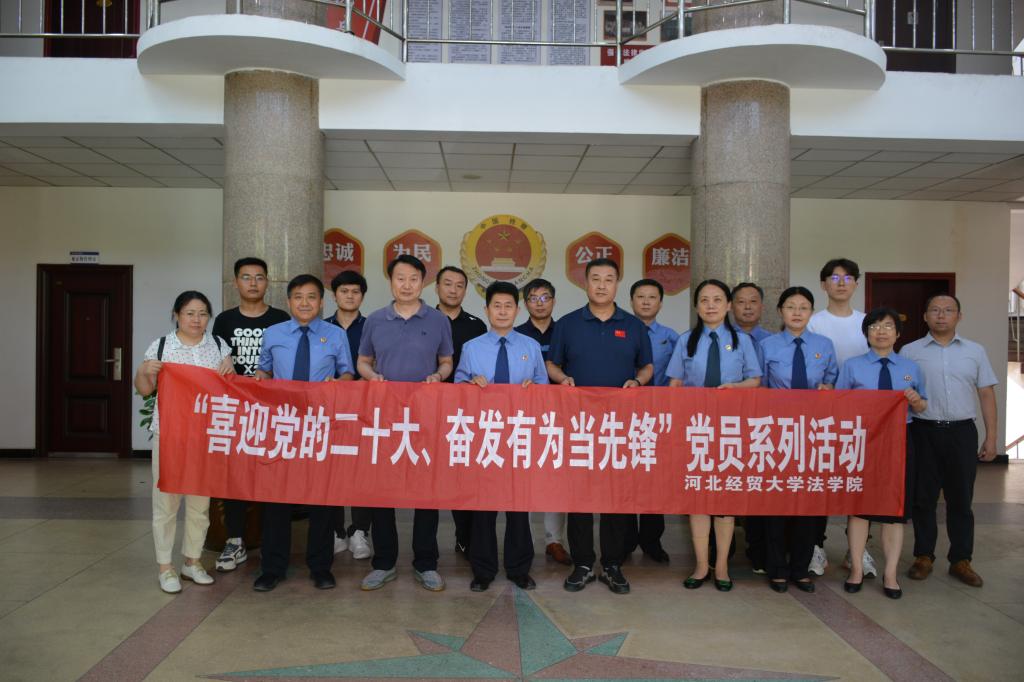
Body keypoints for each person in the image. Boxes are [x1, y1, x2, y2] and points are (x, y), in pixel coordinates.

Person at [547, 258, 654, 595]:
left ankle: (612, 564)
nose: (602, 285)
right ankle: (582, 563)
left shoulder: (634, 326)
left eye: (609, 279)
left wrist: (638, 382)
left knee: (615, 498)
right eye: (596, 278)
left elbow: (647, 366)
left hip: (619, 427)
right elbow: (551, 364)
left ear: (617, 284)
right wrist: (562, 379)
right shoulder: (568, 324)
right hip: (578, 425)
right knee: (579, 496)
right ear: (586, 283)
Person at [358, 254, 454, 592]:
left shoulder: (438, 320)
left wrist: (438, 376)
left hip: (426, 418)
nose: (407, 285)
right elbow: (363, 361)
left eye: (414, 278)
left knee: (426, 492)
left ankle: (426, 563)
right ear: (391, 282)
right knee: (381, 492)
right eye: (400, 278)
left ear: (423, 282)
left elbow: (446, 361)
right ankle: (383, 562)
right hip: (385, 418)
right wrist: (372, 377)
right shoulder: (375, 320)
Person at [252, 275, 354, 592]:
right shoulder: (273, 334)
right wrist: (258, 378)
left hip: (321, 427)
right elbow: (264, 370)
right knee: (277, 500)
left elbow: (348, 373)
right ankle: (273, 568)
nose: (305, 303)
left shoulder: (336, 335)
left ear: (321, 302)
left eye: (311, 297)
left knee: (322, 500)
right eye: (298, 297)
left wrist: (339, 384)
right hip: (283, 425)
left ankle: (321, 567)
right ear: (289, 302)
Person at [135, 291, 234, 594]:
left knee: (199, 504)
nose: (196, 319)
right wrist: (144, 372)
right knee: (166, 502)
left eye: (203, 313)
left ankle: (192, 561)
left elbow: (228, 388)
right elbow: (145, 390)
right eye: (190, 313)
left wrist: (229, 372)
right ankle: (165, 567)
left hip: (206, 436)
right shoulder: (161, 346)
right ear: (176, 315)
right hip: (171, 435)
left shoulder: (218, 345)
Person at [667, 279, 761, 591]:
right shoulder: (686, 341)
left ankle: (721, 566)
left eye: (718, 299)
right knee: (698, 498)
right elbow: (675, 384)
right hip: (695, 429)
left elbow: (755, 380)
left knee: (724, 500)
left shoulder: (742, 340)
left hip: (731, 429)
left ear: (728, 305)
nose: (711, 305)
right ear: (696, 306)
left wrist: (735, 388)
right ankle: (700, 565)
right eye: (704, 300)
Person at [455, 281, 547, 591]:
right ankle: (483, 570)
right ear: (487, 310)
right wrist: (470, 385)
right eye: (497, 306)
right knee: (483, 507)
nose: (503, 311)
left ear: (517, 310)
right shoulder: (472, 348)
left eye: (509, 306)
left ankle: (519, 568)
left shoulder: (530, 347)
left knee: (518, 506)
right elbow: (457, 390)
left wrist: (534, 390)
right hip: (485, 436)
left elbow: (544, 389)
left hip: (520, 436)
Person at [902, 294, 999, 588]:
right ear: (925, 316)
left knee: (961, 498)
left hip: (961, 432)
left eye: (948, 310)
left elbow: (986, 394)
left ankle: (961, 560)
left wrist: (991, 437)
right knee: (923, 498)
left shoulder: (975, 351)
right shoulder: (910, 351)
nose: (941, 315)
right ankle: (923, 556)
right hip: (923, 431)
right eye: (935, 310)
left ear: (959, 316)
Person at [837, 307, 928, 599]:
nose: (881, 331)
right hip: (862, 440)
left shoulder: (910, 368)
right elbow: (838, 405)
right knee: (859, 507)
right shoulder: (852, 366)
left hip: (900, 441)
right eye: (874, 326)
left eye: (888, 326)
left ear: (898, 334)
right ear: (866, 333)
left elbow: (923, 406)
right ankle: (856, 570)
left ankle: (890, 574)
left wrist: (915, 400)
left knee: (894, 510)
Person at [211, 257, 290, 573]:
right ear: (236, 283)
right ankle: (235, 540)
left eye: (259, 277)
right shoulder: (224, 320)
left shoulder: (281, 319)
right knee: (236, 477)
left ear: (267, 282)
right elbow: (215, 361)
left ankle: (273, 543)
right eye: (246, 277)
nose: (253, 283)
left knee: (272, 476)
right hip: (236, 411)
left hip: (273, 412)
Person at [759, 286, 838, 594]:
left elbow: (834, 382)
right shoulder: (767, 345)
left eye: (803, 307)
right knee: (776, 501)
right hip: (777, 431)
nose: (796, 312)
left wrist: (829, 390)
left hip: (814, 433)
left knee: (809, 500)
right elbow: (759, 388)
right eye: (790, 306)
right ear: (780, 311)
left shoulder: (824, 345)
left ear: (811, 313)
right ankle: (777, 568)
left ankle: (801, 568)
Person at [806, 258, 873, 579]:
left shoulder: (868, 323)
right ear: (824, 285)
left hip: (862, 417)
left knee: (858, 483)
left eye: (848, 278)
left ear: (857, 283)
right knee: (820, 483)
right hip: (822, 417)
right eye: (834, 278)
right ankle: (816, 547)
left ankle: (857, 550)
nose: (841, 283)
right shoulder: (813, 322)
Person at [515, 278, 571, 567]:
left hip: (559, 415)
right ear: (525, 303)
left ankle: (554, 540)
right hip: (524, 416)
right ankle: (522, 539)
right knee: (524, 478)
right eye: (533, 298)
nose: (539, 303)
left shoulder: (567, 332)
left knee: (555, 478)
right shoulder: (516, 334)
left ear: (554, 301)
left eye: (545, 297)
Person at [624, 278, 679, 563]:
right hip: (624, 415)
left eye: (652, 297)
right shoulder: (621, 330)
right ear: (631, 301)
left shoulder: (672, 337)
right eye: (640, 297)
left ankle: (651, 541)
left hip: (659, 415)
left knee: (654, 479)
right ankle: (624, 541)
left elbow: (679, 375)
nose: (646, 302)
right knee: (624, 477)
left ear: (660, 302)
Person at [436, 265, 487, 557]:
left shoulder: (476, 326)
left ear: (466, 291)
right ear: (437, 288)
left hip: (466, 414)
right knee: (430, 475)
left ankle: (464, 537)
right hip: (430, 410)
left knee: (464, 475)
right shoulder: (425, 320)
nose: (453, 290)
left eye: (459, 285)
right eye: (448, 284)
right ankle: (426, 546)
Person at [325, 270, 373, 560]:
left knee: (362, 470)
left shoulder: (372, 327)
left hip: (364, 410)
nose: (350, 296)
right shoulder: (321, 327)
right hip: (328, 412)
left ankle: (359, 531)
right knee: (331, 470)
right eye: (344, 291)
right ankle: (335, 531)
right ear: (335, 295)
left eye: (355, 291)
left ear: (362, 296)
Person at [730, 282, 772, 574]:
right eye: (741, 302)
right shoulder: (721, 338)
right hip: (730, 423)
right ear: (731, 306)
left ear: (762, 306)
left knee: (758, 488)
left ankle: (758, 549)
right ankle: (722, 551)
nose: (747, 307)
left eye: (753, 301)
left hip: (764, 424)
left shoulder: (773, 342)